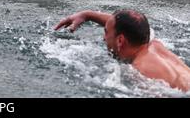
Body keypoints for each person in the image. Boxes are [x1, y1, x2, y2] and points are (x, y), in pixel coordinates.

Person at [54, 9, 190, 92]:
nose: (103, 38)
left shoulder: (140, 72)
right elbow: (132, 25)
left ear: (120, 41)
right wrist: (87, 15)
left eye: (106, 32)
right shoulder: (154, 45)